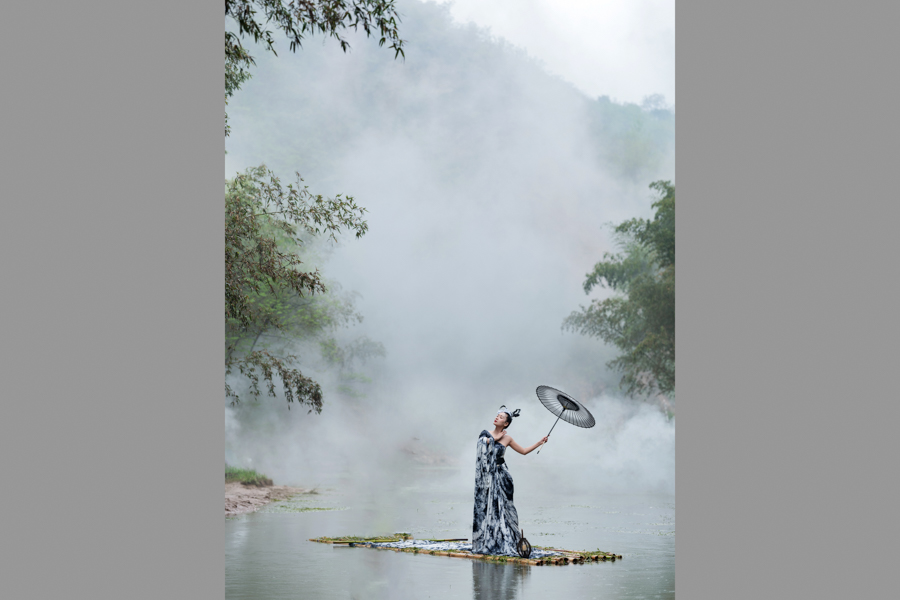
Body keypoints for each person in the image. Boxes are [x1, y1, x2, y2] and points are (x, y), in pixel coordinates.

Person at [472, 405, 550, 556]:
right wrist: (498, 437)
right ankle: (489, 542)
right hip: (487, 478)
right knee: (489, 509)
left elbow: (524, 451)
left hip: (502, 476)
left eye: (501, 417)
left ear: (506, 423)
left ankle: (508, 540)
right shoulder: (485, 434)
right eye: (497, 416)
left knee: (506, 510)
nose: (497, 418)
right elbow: (483, 445)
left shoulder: (508, 438)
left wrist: (540, 443)